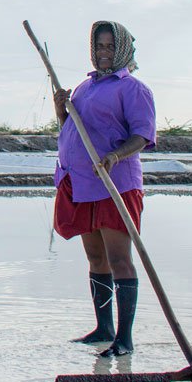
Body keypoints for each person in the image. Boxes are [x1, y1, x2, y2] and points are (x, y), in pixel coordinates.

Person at [52, 20, 156, 357]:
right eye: (99, 47)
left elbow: (143, 135)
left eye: (110, 47)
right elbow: (72, 129)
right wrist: (60, 110)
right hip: (82, 183)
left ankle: (123, 339)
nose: (104, 53)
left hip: (116, 184)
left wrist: (115, 155)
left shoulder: (133, 89)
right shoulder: (84, 87)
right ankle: (103, 328)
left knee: (119, 258)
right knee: (96, 257)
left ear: (122, 48)